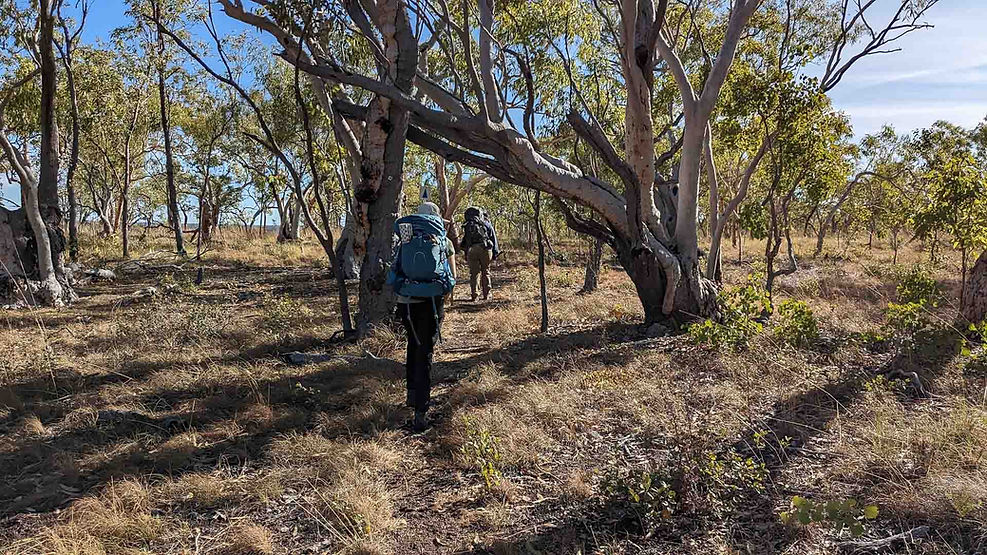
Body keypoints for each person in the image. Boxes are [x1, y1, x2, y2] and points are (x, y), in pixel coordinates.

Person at [387, 202, 455, 432]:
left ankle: (411, 395)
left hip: (406, 303)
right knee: (425, 351)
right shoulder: (443, 241)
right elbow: (451, 278)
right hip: (431, 304)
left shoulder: (404, 239)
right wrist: (441, 298)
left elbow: (395, 271)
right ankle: (421, 412)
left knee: (412, 346)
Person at [460, 206, 500, 301]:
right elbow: (493, 239)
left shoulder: (468, 225)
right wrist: (495, 253)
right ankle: (487, 294)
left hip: (472, 250)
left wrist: (466, 253)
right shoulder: (486, 224)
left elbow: (465, 241)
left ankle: (475, 295)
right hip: (485, 249)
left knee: (474, 273)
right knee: (485, 271)